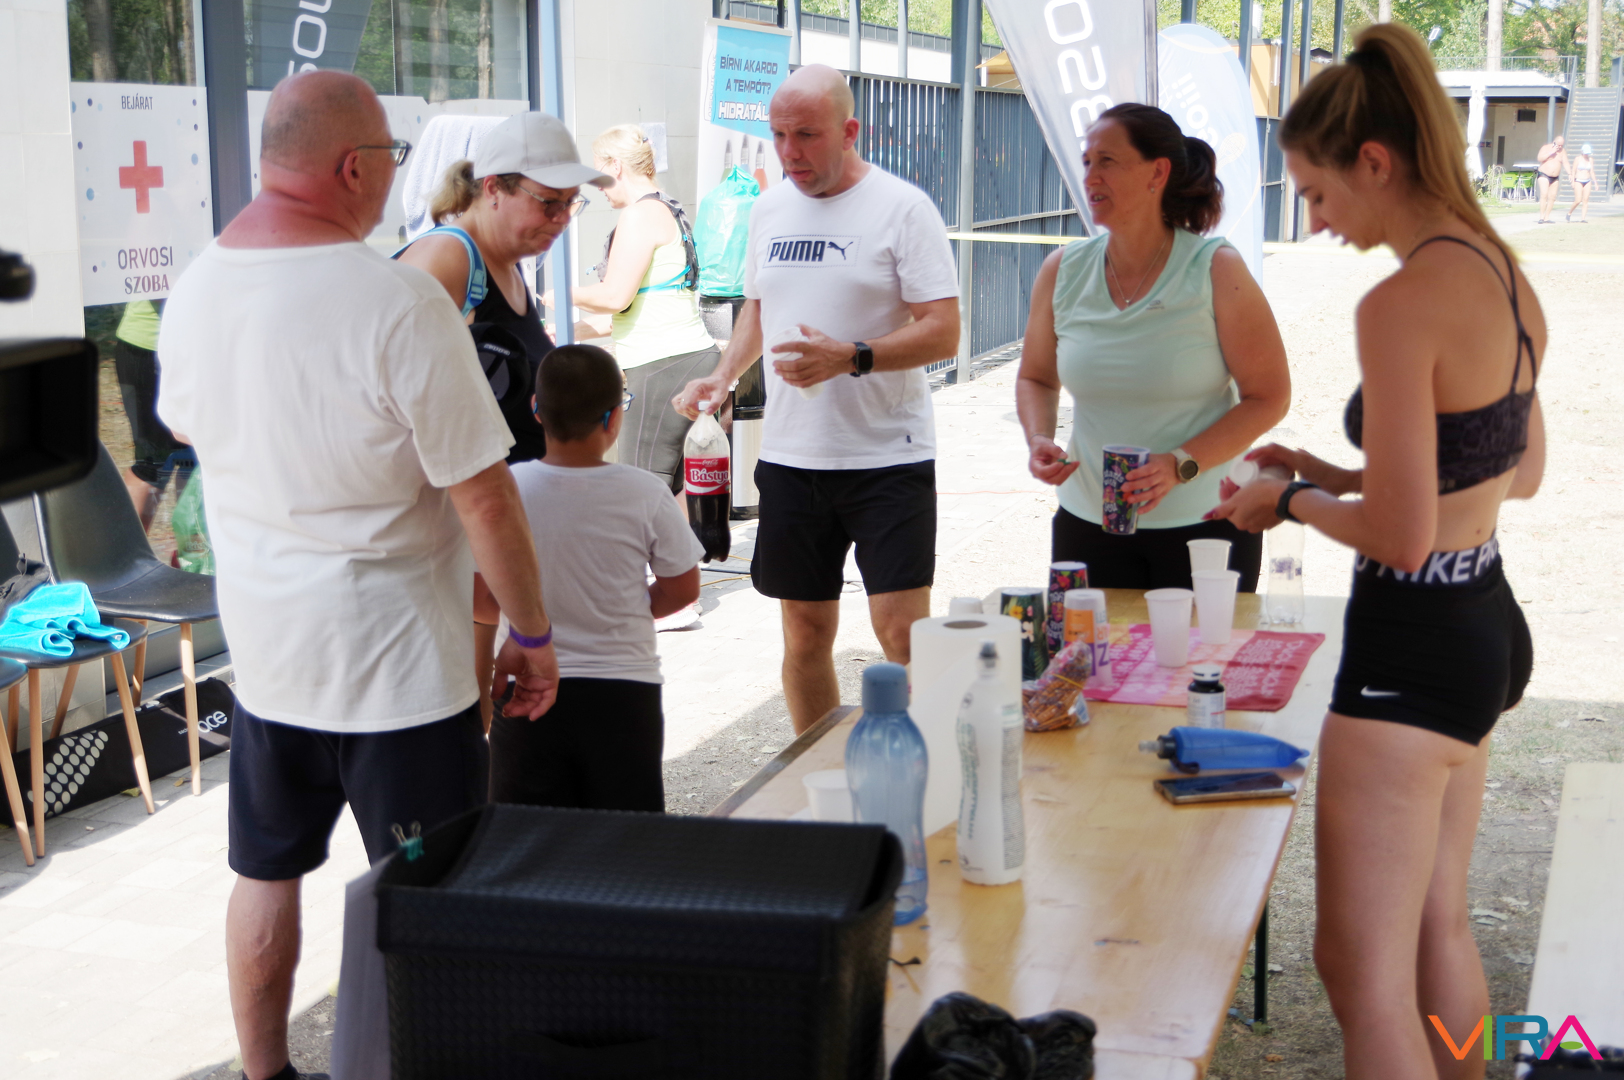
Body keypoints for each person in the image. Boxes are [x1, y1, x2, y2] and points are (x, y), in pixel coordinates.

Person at [156, 71, 560, 1080]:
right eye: (388, 154)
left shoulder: (198, 286)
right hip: (400, 676)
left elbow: (187, 430)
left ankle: (265, 1073)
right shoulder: (398, 302)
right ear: (350, 167)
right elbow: (485, 497)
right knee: (430, 899)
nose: (394, 172)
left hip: (270, 663)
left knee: (265, 874)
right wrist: (532, 633)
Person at [1209, 25, 1544, 1080]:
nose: (1316, 219)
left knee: (1360, 975)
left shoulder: (1399, 303)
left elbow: (1402, 539)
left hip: (1411, 649)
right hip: (1482, 625)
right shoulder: (1501, 271)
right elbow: (1511, 470)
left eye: (1317, 192)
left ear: (1374, 162)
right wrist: (1341, 470)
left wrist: (1289, 498)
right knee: (1440, 923)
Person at [672, 64, 960, 735]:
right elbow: (759, 308)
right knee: (804, 631)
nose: (790, 152)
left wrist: (852, 357)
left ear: (849, 130)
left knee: (901, 632)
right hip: (793, 456)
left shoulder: (903, 208)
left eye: (806, 135)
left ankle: (926, 767)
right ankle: (817, 772)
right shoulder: (769, 209)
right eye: (779, 136)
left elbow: (944, 330)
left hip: (888, 455)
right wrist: (724, 375)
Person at [1015, 103, 1290, 591]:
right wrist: (1038, 437)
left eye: (1107, 161)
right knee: (1091, 646)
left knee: (1199, 647)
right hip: (1088, 522)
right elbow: (1036, 377)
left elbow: (1269, 397)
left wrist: (1181, 463)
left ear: (1157, 173)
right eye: (1087, 162)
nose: (1090, 176)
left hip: (1208, 525)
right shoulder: (1062, 271)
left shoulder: (1215, 269)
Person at [397, 112, 609, 725]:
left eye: (571, 204)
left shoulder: (507, 266)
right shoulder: (447, 258)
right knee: (459, 726)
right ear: (493, 188)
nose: (561, 219)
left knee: (481, 725)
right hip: (442, 548)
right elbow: (382, 393)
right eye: (547, 202)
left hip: (480, 564)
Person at [482, 344, 703, 811]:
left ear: (536, 410)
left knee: (527, 836)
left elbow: (482, 598)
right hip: (624, 692)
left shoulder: (507, 490)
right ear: (614, 418)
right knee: (624, 835)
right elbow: (684, 588)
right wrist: (621, 610)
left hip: (525, 687)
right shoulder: (646, 492)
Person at [556, 124, 720, 500]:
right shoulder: (665, 208)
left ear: (615, 165)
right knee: (675, 494)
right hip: (686, 359)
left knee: (638, 490)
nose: (596, 186)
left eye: (598, 172)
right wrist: (568, 331)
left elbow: (614, 296)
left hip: (664, 365)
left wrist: (561, 295)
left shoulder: (639, 215)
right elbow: (633, 305)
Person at [113, 299, 195, 532]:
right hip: (147, 347)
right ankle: (127, 552)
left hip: (201, 347)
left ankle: (193, 551)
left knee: (197, 462)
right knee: (153, 463)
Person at [1535, 133, 1567, 223]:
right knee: (1544, 194)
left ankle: (1547, 217)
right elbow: (1540, 158)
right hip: (1544, 174)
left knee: (1552, 197)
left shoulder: (1562, 151)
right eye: (1558, 145)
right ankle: (1541, 217)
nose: (1560, 147)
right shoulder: (1545, 147)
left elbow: (1565, 163)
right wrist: (1551, 152)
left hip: (1555, 177)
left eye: (1561, 145)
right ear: (1554, 143)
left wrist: (1570, 174)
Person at [1566, 142, 1594, 222]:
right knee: (1578, 200)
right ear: (1582, 151)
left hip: (1587, 180)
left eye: (1588, 153)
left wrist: (1595, 182)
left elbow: (1592, 171)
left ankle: (1583, 218)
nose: (1586, 154)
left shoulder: (1590, 160)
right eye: (1585, 153)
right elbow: (1573, 170)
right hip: (1578, 180)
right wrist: (1572, 181)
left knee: (1585, 200)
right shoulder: (1577, 159)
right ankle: (1569, 213)